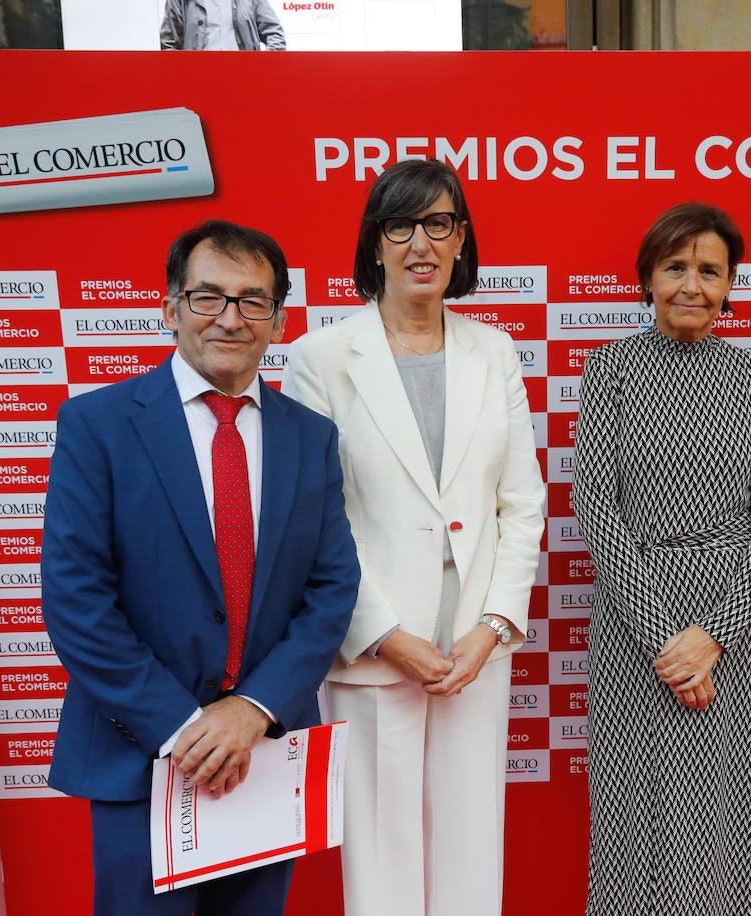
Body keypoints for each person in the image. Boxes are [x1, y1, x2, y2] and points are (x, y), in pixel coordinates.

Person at [41, 219, 360, 915]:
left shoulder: (310, 436)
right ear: (170, 309)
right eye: (207, 296)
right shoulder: (97, 425)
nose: (229, 317)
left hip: (265, 752)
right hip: (142, 755)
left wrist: (251, 708)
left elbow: (332, 589)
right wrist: (183, 727)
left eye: (252, 301)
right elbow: (75, 602)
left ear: (277, 321)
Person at [282, 158, 544, 916]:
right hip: (372, 647)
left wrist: (492, 628)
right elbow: (316, 520)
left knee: (471, 852)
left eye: (439, 222)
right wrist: (385, 633)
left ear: (462, 240)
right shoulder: (322, 358)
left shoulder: (492, 351)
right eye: (401, 224)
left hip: (473, 650)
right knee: (382, 864)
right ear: (375, 243)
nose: (420, 242)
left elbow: (520, 505)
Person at [573, 202, 751, 915]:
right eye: (675, 267)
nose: (691, 285)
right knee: (634, 816)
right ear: (647, 278)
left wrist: (712, 636)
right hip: (638, 627)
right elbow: (595, 505)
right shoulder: (608, 370)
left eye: (709, 270)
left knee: (734, 815)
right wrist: (665, 639)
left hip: (736, 630)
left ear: (731, 284)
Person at [160, 0, 287, 51]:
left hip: (243, 79)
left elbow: (274, 33)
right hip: (199, 80)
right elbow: (169, 44)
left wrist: (264, 69)